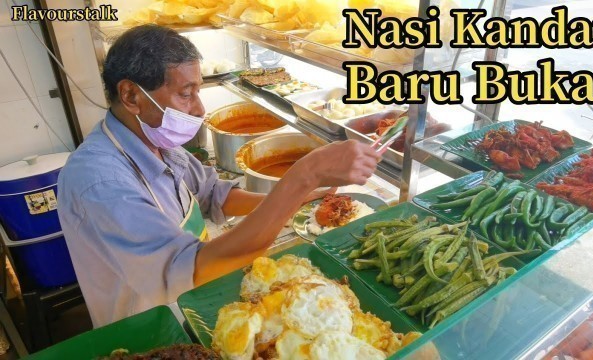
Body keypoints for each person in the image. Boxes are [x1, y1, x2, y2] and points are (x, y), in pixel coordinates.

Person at [57, 25, 381, 327]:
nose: (199, 109)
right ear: (131, 95)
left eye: (198, 92)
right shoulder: (100, 183)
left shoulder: (155, 142)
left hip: (194, 304)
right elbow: (194, 268)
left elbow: (215, 195)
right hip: (153, 328)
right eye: (186, 93)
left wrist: (296, 200)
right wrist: (304, 175)